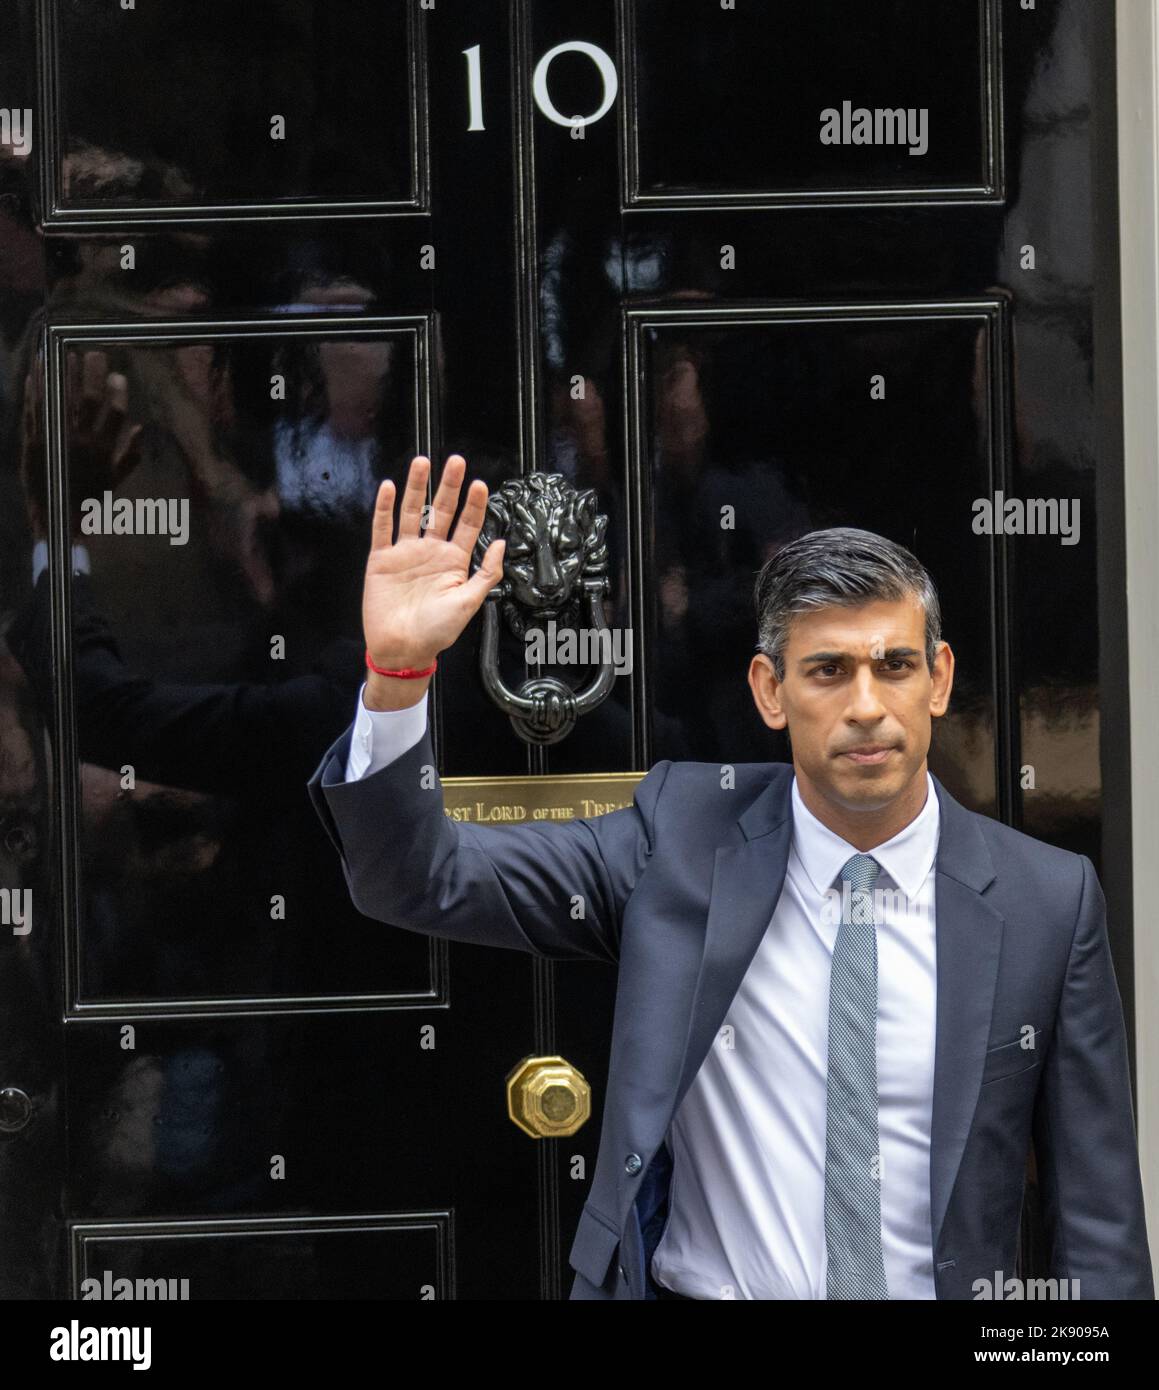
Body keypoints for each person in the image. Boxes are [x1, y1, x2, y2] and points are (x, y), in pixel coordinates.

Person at [307, 453, 1154, 1301]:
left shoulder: (1048, 899)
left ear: (937, 680)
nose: (865, 704)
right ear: (770, 691)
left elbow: (1099, 1224)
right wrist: (397, 676)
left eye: (893, 665)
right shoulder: (677, 839)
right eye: (827, 671)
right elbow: (416, 878)